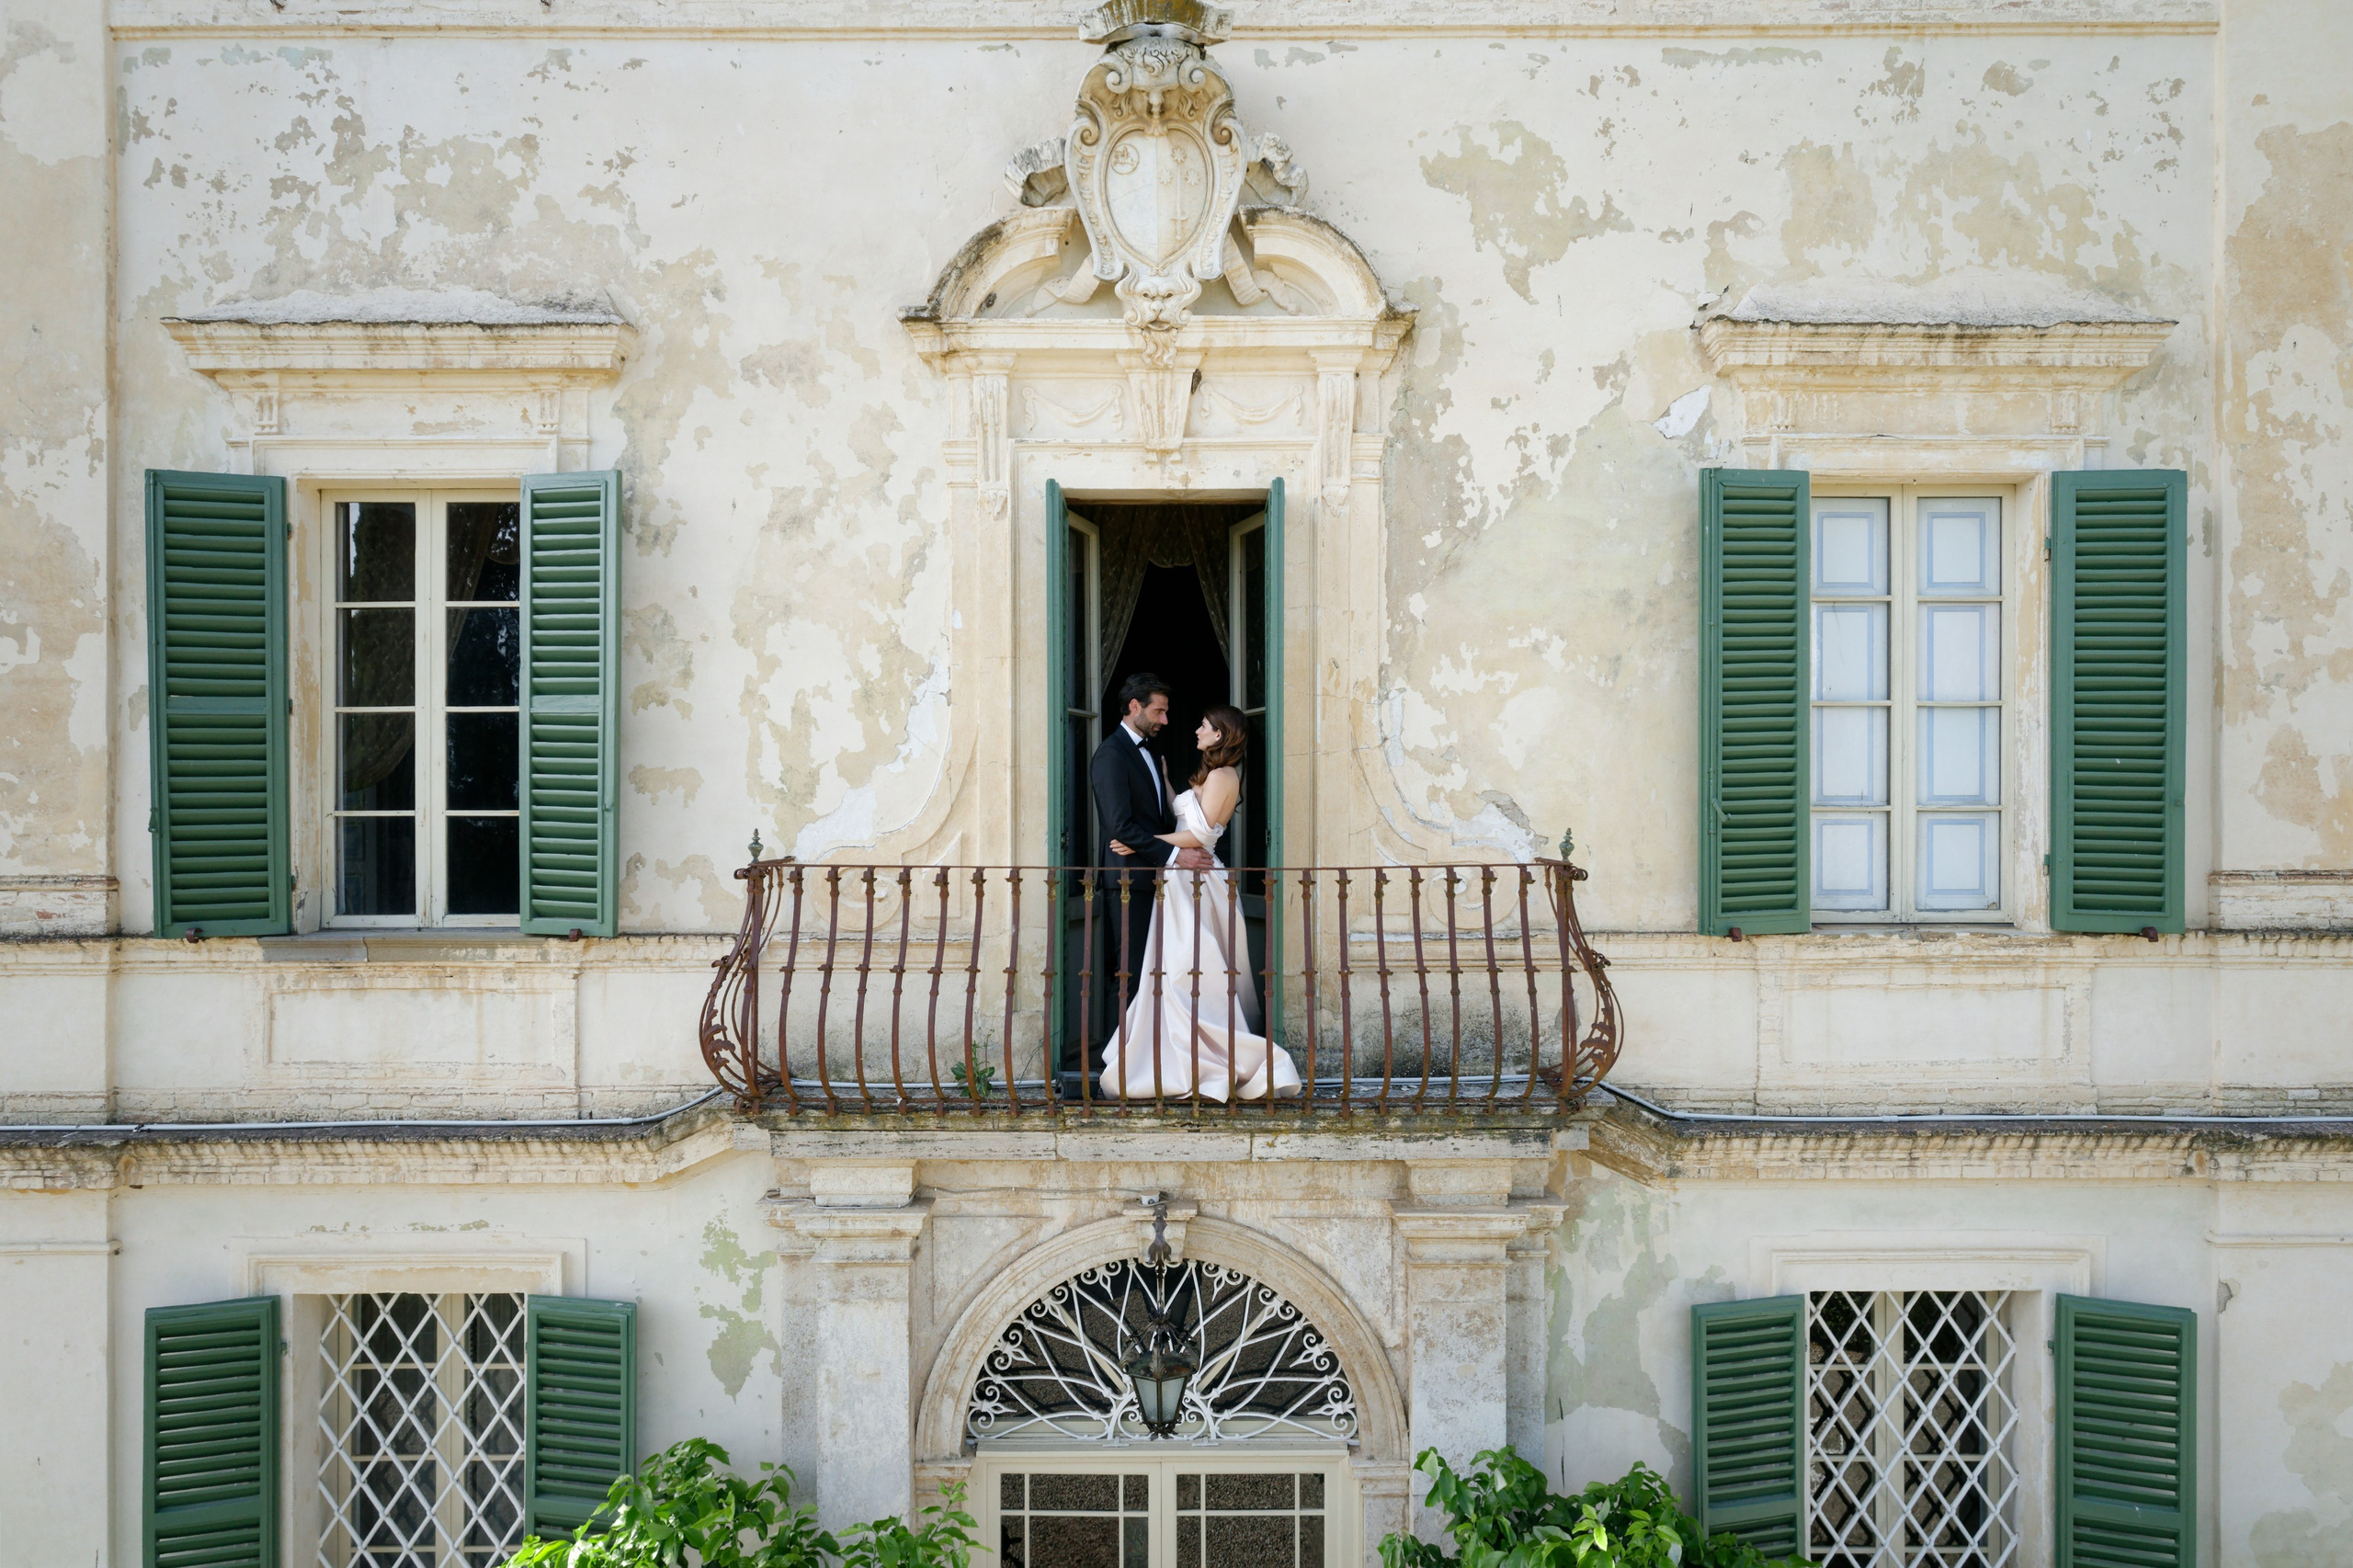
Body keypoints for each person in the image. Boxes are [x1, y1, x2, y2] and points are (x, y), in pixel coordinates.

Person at [1099, 702, 1302, 1102]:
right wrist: (1167, 784)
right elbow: (1187, 818)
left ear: (1220, 735)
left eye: (1204, 725)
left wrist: (1146, 843)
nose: (1196, 730)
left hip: (1197, 881)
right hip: (1177, 880)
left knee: (1190, 971)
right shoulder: (1212, 776)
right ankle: (1172, 1056)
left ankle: (1205, 1060)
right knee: (1174, 968)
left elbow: (1199, 837)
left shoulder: (1226, 776)